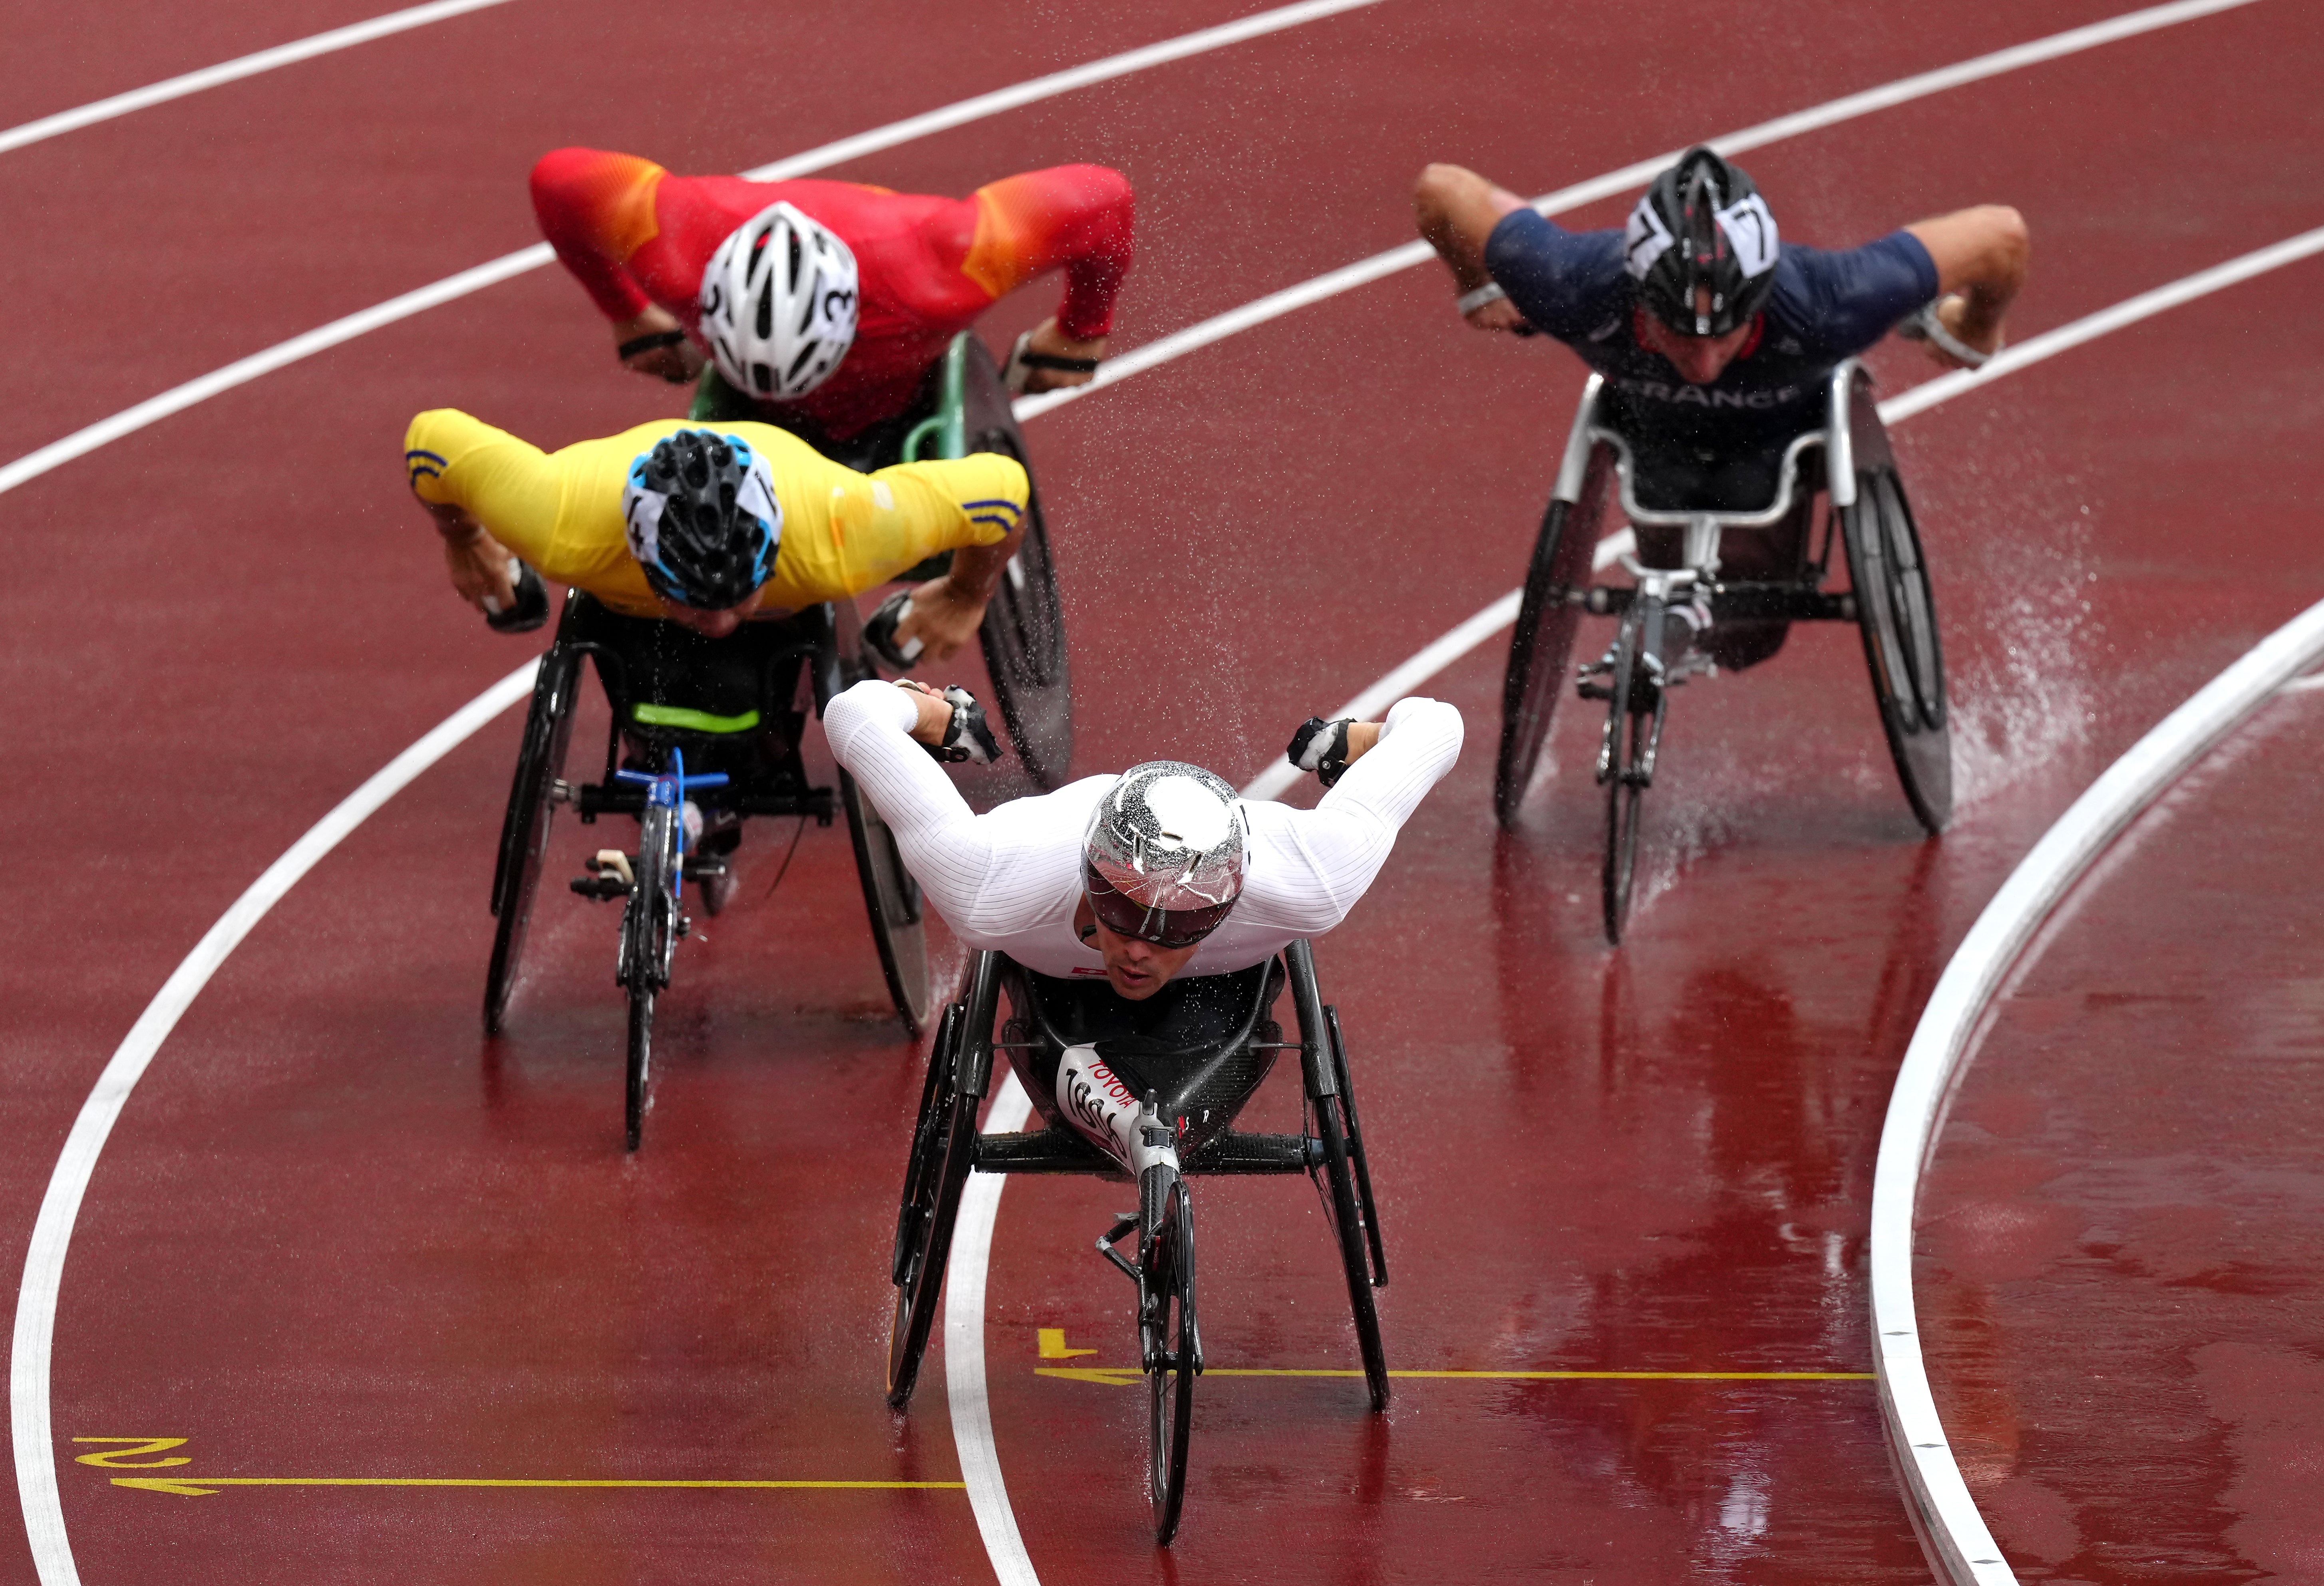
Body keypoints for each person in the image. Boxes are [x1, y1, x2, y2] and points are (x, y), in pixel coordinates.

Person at [1413, 145, 2028, 667]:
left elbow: (2001, 235)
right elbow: (1443, 190)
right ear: (1640, 300)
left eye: (1725, 334)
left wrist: (1975, 328)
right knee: (1721, 620)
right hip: (1656, 448)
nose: (1704, 364)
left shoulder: (1830, 301)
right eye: (1678, 334)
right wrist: (1476, 287)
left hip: (1782, 452)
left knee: (1747, 639)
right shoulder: (1572, 284)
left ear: (1758, 302)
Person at [824, 678, 1459, 1157]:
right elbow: (852, 715)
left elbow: (1437, 726)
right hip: (1052, 957)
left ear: (1227, 901)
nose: (1139, 951)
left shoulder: (1313, 878)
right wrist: (929, 712)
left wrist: (1371, 742)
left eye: (1177, 929)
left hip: (1218, 974)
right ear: (1092, 880)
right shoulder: (988, 884)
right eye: (1123, 916)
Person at [530, 149, 1133, 449]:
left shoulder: (943, 271)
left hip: (898, 392)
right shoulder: (675, 246)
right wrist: (630, 313)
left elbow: (1103, 198)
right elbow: (556, 180)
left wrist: (1083, 328)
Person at [406, 409, 1025, 660]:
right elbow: (432, 440)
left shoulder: (846, 532)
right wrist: (464, 540)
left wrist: (966, 595)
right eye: (693, 602)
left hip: (803, 483)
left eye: (740, 598)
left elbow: (1002, 489)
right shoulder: (558, 524)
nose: (723, 623)